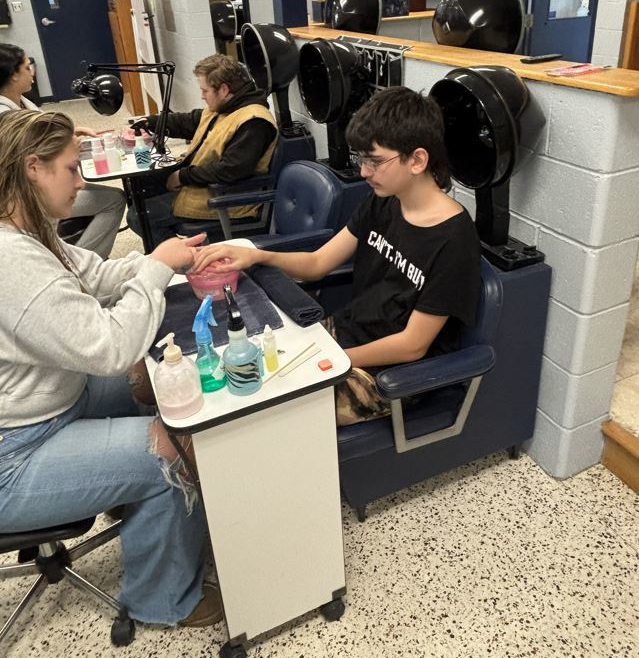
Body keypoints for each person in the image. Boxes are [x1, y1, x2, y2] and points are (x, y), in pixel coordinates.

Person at [0, 109, 221, 627]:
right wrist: (159, 268)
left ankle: (138, 505)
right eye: (72, 169)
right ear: (33, 168)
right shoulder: (11, 261)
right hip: (13, 455)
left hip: (50, 404)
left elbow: (98, 274)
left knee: (150, 384)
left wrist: (170, 261)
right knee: (170, 453)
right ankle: (164, 600)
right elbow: (112, 346)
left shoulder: (29, 233)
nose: (81, 182)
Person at [191, 87, 482, 426]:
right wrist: (255, 255)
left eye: (374, 161)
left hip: (389, 374)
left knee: (266, 411)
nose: (363, 172)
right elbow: (318, 263)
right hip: (345, 334)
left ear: (417, 160)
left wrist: (335, 356)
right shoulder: (384, 201)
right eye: (362, 160)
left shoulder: (454, 240)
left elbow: (412, 345)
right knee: (243, 373)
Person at [127, 53, 278, 249]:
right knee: (144, 187)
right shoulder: (226, 108)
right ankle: (183, 251)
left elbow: (231, 170)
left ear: (223, 90)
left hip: (227, 198)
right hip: (206, 186)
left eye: (205, 91)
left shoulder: (253, 122)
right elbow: (189, 121)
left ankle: (186, 258)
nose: (202, 96)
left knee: (138, 215)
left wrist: (182, 176)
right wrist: (151, 122)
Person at [0, 43, 127, 259]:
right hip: (28, 193)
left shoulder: (21, 101)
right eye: (27, 67)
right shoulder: (5, 115)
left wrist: (75, 131)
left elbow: (40, 133)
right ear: (13, 75)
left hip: (39, 183)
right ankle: (76, 263)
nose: (33, 72)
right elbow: (29, 155)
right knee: (113, 201)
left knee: (113, 193)